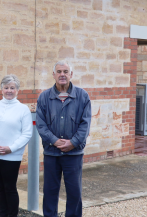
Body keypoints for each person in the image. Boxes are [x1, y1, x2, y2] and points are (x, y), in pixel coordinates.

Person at [36, 61, 91, 217]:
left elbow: (85, 125)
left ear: (71, 74)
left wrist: (73, 143)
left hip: (73, 155)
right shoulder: (44, 97)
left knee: (74, 193)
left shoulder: (83, 96)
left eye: (65, 71)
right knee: (50, 192)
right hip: (51, 154)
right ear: (53, 74)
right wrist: (54, 141)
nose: (62, 74)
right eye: (59, 71)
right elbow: (41, 125)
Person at [0, 74, 33, 217]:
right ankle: (3, 214)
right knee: (0, 187)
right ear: (1, 89)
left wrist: (11, 148)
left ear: (17, 90)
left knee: (9, 188)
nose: (9, 90)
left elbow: (27, 133)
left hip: (12, 156)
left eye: (12, 88)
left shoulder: (23, 109)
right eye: (6, 87)